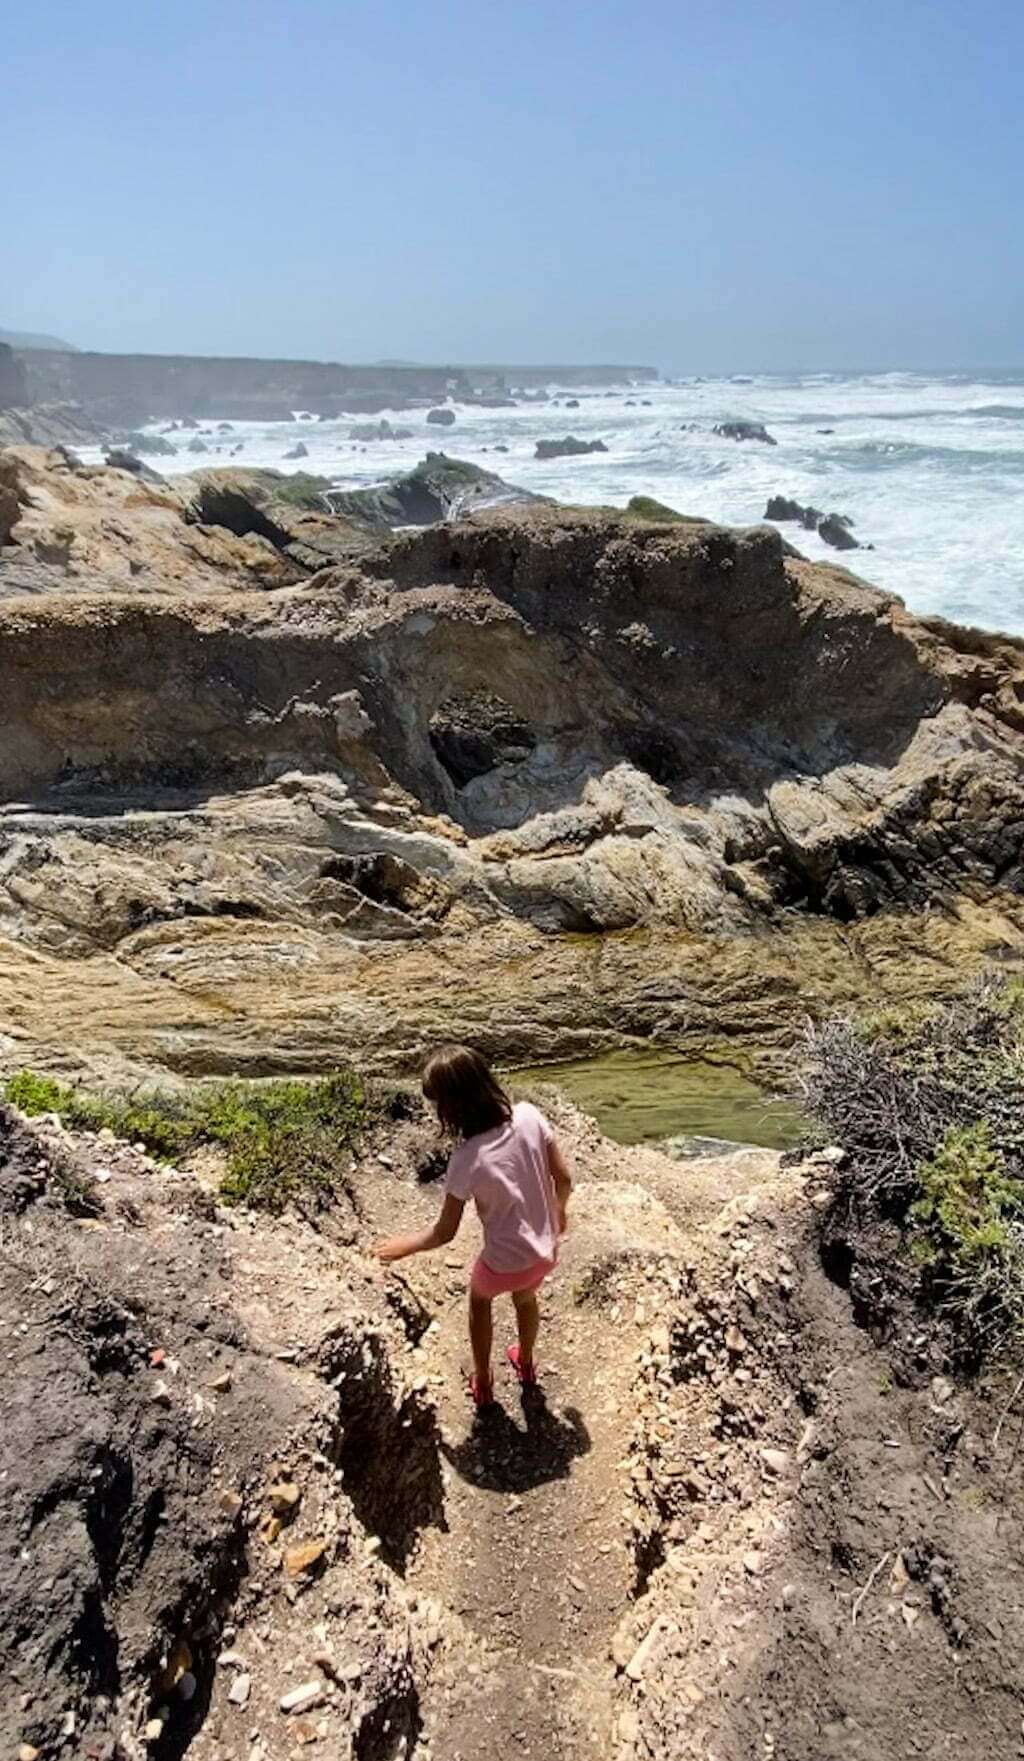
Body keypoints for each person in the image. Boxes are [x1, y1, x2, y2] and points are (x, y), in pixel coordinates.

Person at [374, 1045, 572, 1407]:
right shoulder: (529, 1116)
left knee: (480, 1301)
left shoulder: (467, 1159)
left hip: (502, 1263)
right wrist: (559, 1215)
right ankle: (526, 1364)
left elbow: (445, 1232)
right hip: (545, 1252)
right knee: (526, 1298)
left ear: (451, 1108)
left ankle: (483, 1382)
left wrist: (406, 1246)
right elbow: (564, 1178)